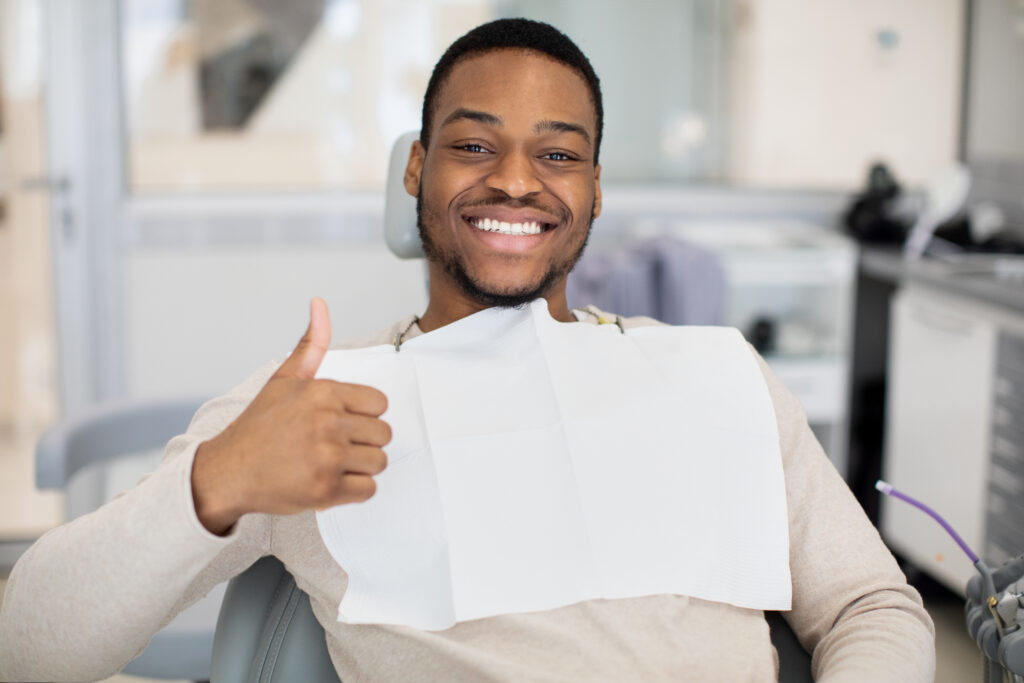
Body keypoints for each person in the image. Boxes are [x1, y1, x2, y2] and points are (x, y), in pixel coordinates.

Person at [0, 18, 934, 682]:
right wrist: (215, 484)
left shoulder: (716, 376)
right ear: (417, 170)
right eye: (474, 145)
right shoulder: (324, 403)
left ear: (597, 190)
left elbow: (872, 607)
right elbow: (27, 647)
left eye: (559, 155)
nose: (517, 181)